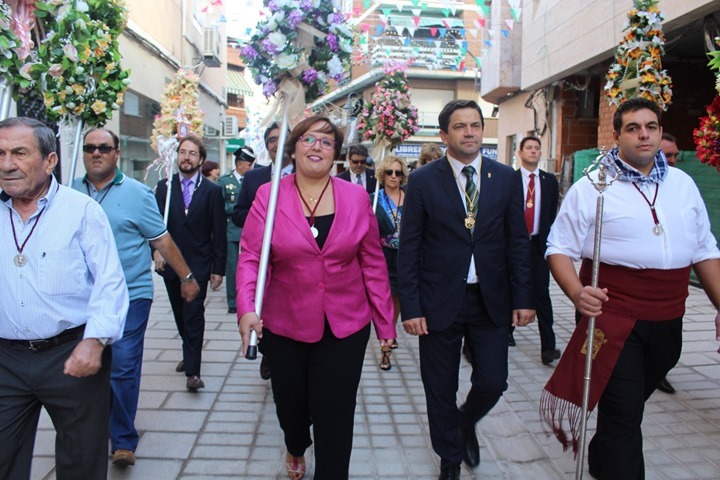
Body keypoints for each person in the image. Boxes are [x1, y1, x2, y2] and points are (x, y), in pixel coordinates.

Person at [541, 97, 720, 479]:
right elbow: (559, 248)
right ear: (617, 134)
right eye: (634, 128)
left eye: (651, 127)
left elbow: (705, 248)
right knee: (623, 416)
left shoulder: (683, 185)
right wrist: (576, 292)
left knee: (624, 410)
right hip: (612, 315)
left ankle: (604, 453)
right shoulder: (593, 186)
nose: (644, 135)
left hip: (669, 315)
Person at [237, 115, 396, 480]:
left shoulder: (356, 197)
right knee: (291, 409)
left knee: (335, 414)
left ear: (336, 155)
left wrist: (386, 323)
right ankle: (295, 443)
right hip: (285, 324)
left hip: (345, 326)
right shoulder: (270, 194)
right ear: (292, 150)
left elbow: (372, 262)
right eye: (309, 139)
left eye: (326, 142)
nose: (317, 147)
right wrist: (247, 309)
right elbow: (251, 258)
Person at [398, 100, 535, 480]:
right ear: (445, 135)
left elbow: (518, 243)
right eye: (460, 126)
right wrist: (410, 306)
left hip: (491, 300)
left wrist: (524, 297)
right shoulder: (424, 180)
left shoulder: (505, 178)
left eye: (475, 125)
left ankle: (464, 421)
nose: (470, 132)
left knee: (493, 381)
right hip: (438, 301)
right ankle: (450, 459)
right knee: (439, 387)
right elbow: (410, 248)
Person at [0, 117, 129, 479]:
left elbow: (110, 282)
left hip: (71, 352)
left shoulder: (82, 211)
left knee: (80, 459)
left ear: (50, 160)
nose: (7, 164)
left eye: (19, 153)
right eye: (1, 153)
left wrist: (94, 342)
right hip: (6, 359)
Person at [73, 127, 200, 467]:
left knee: (123, 366)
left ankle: (123, 441)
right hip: (81, 301)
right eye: (89, 148)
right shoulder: (67, 193)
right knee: (87, 369)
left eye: (104, 147)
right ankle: (90, 432)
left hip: (130, 295)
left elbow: (161, 240)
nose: (96, 153)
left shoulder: (138, 194)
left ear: (117, 152)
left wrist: (187, 277)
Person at [154, 135, 226, 391]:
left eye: (192, 153)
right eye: (182, 152)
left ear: (201, 159)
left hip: (199, 265)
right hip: (170, 266)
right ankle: (189, 351)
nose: (186, 157)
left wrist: (219, 269)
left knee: (194, 314)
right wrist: (156, 251)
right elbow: (155, 227)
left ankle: (193, 372)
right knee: (180, 314)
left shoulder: (212, 191)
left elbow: (219, 232)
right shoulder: (165, 187)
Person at [231, 121, 291, 380]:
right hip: (264, 255)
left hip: (293, 256)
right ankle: (267, 351)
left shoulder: (307, 175)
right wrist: (263, 219)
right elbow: (238, 214)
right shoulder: (254, 177)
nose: (277, 144)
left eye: (282, 138)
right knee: (262, 305)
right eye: (271, 140)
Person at [514, 136, 560, 364]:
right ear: (520, 152)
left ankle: (548, 347)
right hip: (513, 244)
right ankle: (507, 333)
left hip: (538, 244)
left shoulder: (549, 181)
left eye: (537, 148)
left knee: (542, 293)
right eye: (529, 148)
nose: (533, 151)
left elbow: (551, 214)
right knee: (509, 288)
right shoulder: (510, 180)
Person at [370, 154, 409, 371]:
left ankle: (390, 332)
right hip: (382, 258)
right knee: (385, 304)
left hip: (406, 260)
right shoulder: (373, 199)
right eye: (389, 172)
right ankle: (385, 349)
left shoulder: (411, 198)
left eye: (398, 172)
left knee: (397, 303)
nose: (394, 176)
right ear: (382, 175)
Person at [655, 132, 680, 394]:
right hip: (631, 296)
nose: (672, 161)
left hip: (671, 293)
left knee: (668, 349)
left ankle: (659, 371)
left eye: (675, 156)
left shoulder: (683, 186)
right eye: (667, 155)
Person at [217, 147, 254, 314]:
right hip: (232, 231)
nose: (251, 167)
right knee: (233, 268)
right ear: (240, 165)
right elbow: (218, 205)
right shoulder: (225, 181)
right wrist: (235, 208)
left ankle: (249, 298)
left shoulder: (252, 180)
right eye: (248, 164)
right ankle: (233, 302)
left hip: (250, 231)